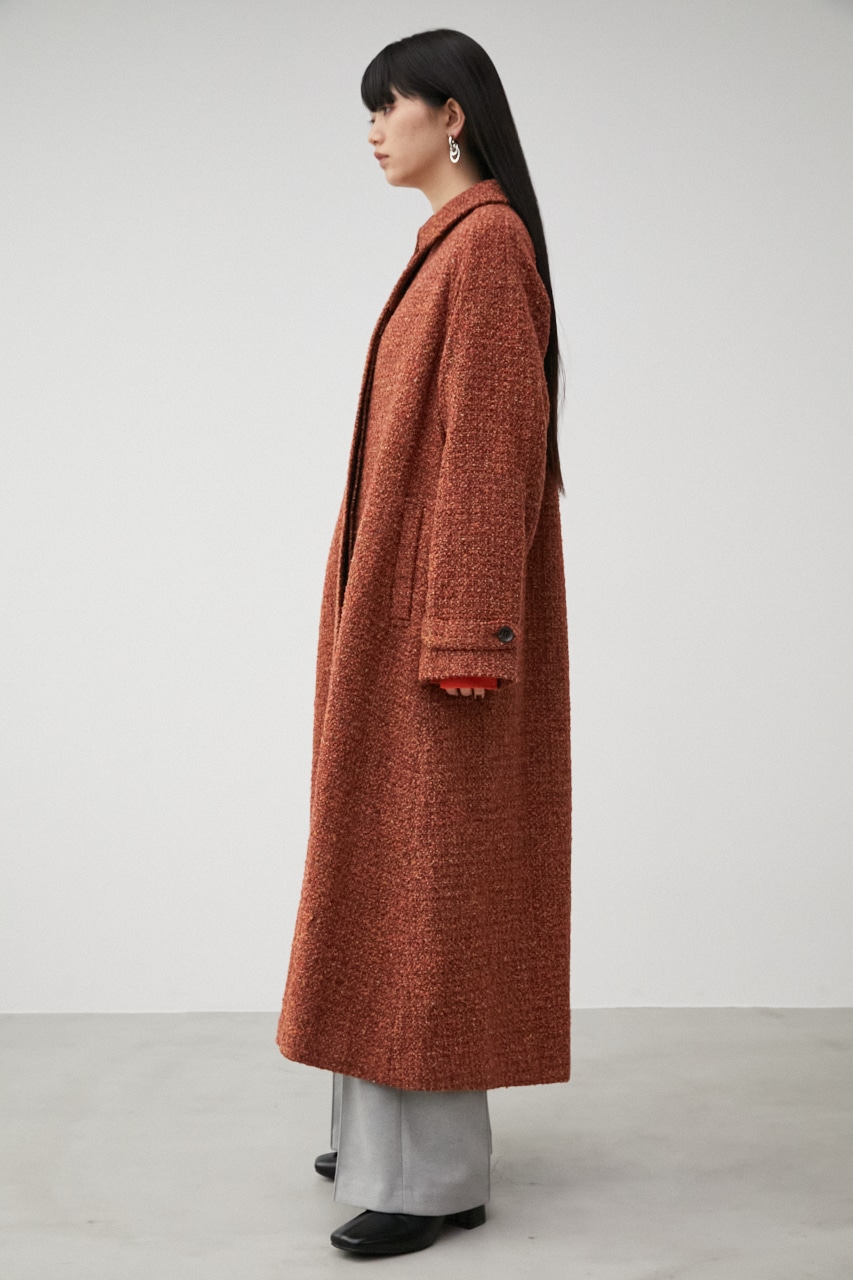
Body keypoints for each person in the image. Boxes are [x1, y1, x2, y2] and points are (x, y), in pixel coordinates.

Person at [275, 27, 572, 1257]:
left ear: (450, 115)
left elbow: (493, 449)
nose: (371, 129)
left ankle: (434, 1175)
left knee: (427, 891)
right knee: (385, 874)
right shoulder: (451, 243)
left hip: (442, 638)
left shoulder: (486, 247)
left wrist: (468, 633)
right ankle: (376, 1136)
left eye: (385, 106)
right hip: (399, 619)